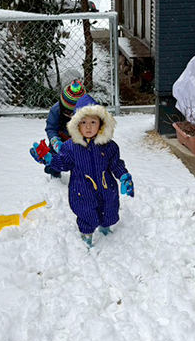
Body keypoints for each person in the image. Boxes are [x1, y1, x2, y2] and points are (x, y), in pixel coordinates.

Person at [31, 94, 134, 247]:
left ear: (101, 124)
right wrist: (49, 159)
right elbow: (64, 163)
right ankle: (87, 235)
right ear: (76, 125)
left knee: (109, 209)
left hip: (106, 188)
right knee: (86, 214)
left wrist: (124, 176)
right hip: (82, 190)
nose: (88, 127)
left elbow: (116, 164)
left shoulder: (109, 146)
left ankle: (105, 227)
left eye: (93, 122)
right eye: (83, 122)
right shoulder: (71, 147)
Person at [42, 81, 87, 178]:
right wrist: (55, 141)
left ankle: (82, 178)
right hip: (61, 139)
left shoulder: (89, 113)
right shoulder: (56, 110)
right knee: (53, 159)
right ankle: (54, 176)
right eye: (67, 111)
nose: (70, 115)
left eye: (75, 113)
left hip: (80, 141)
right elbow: (51, 128)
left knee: (84, 160)